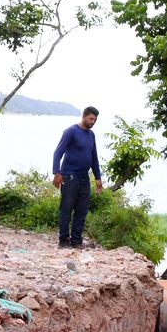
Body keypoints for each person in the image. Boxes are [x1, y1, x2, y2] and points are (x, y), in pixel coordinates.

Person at [52, 106, 104, 248]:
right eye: (91, 118)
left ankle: (76, 241)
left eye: (95, 120)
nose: (93, 122)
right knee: (67, 208)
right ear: (84, 116)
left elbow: (94, 157)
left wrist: (98, 178)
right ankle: (63, 240)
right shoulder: (71, 131)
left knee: (82, 210)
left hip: (84, 177)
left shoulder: (91, 135)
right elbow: (58, 153)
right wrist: (57, 172)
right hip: (69, 176)